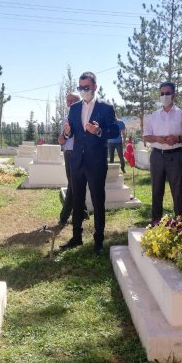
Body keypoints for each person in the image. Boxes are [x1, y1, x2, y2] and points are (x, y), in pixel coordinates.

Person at [60, 71, 119, 254]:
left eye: (86, 87)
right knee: (77, 199)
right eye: (80, 87)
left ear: (95, 87)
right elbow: (71, 133)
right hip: (77, 160)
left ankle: (98, 241)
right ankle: (76, 237)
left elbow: (115, 132)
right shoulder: (74, 108)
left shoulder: (106, 108)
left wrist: (98, 131)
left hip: (96, 162)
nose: (83, 90)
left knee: (97, 200)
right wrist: (67, 132)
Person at [143, 82, 182, 223]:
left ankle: (181, 224)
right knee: (156, 191)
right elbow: (146, 136)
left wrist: (177, 138)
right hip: (157, 156)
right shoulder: (154, 115)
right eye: (162, 93)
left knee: (177, 192)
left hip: (175, 155)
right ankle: (156, 223)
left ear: (174, 95)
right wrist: (157, 139)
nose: (164, 96)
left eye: (167, 93)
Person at [58, 92, 87, 226]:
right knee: (73, 184)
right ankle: (79, 213)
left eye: (72, 100)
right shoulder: (65, 118)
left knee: (76, 183)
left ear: (78, 102)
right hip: (69, 154)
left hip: (82, 153)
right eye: (67, 100)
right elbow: (62, 140)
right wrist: (64, 137)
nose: (69, 103)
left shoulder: (85, 117)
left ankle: (66, 215)